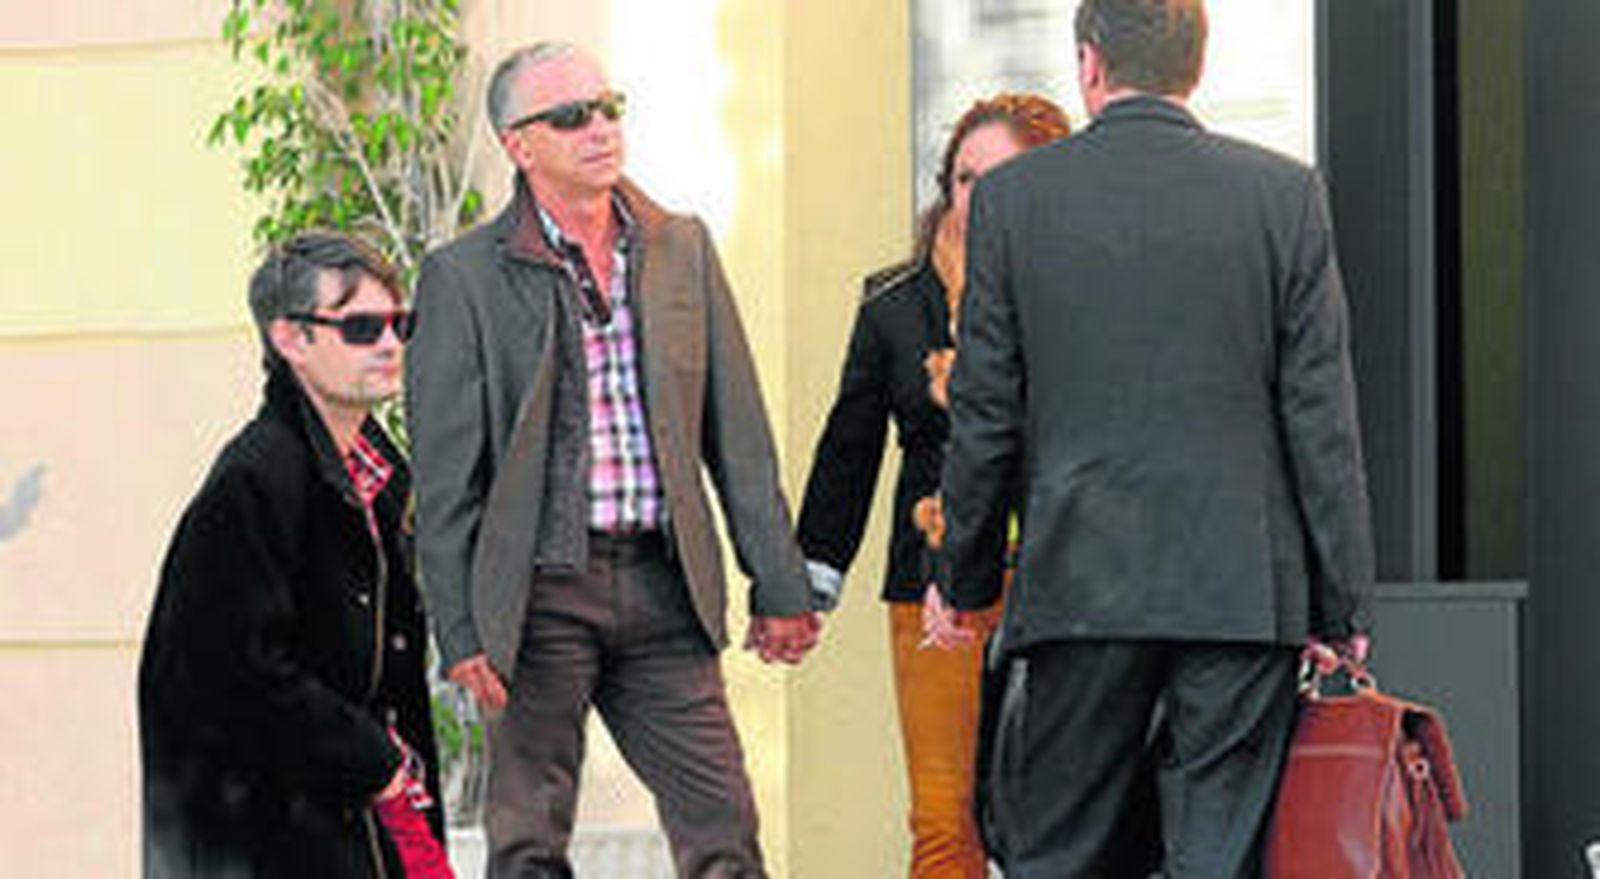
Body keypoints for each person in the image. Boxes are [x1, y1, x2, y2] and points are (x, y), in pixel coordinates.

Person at [926, 0, 1377, 875]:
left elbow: (987, 413)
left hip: (1079, 585)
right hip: (1241, 591)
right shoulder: (1284, 196)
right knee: (1216, 854)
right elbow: (1321, 419)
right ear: (1195, 67)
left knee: (1059, 852)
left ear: (1089, 65)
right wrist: (1342, 603)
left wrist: (966, 576)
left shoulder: (1016, 201)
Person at [405, 42, 820, 878]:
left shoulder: (680, 246)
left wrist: (778, 582)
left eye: (607, 107)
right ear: (520, 145)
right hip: (536, 597)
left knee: (726, 834)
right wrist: (459, 627)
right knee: (527, 845)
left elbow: (737, 434)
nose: (600, 128)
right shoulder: (463, 278)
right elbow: (446, 480)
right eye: (570, 117)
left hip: (666, 586)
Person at [796, 94, 1070, 879]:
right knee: (943, 821)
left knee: (1059, 816)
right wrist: (808, 582)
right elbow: (849, 449)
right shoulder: (895, 301)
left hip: (1060, 579)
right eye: (963, 177)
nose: (976, 197)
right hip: (934, 580)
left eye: (1001, 179)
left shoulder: (1082, 295)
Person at [139, 233, 451, 877]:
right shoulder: (254, 480)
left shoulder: (381, 481)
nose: (391, 344)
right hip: (278, 838)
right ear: (291, 340)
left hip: (371, 822)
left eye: (400, 323)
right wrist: (369, 760)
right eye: (362, 327)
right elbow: (231, 673)